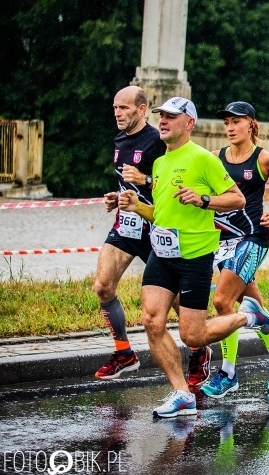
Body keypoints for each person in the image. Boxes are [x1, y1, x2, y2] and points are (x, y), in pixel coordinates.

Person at [118, 97, 269, 418]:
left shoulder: (204, 159)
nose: (162, 121)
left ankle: (250, 316)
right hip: (162, 253)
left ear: (189, 123)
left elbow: (237, 199)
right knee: (151, 320)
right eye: (161, 116)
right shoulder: (160, 163)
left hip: (195, 256)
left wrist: (203, 200)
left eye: (171, 117)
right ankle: (181, 393)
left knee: (193, 335)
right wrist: (135, 204)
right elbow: (160, 213)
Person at [197, 101, 269, 399]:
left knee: (222, 301)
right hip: (223, 241)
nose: (230, 128)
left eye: (236, 122)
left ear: (251, 124)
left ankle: (228, 373)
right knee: (255, 309)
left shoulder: (264, 159)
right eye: (226, 122)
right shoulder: (215, 157)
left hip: (253, 238)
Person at [93, 86, 166, 379]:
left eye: (124, 108)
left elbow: (173, 185)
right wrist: (116, 197)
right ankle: (124, 352)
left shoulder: (158, 141)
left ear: (142, 109)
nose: (117, 114)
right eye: (115, 108)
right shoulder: (120, 140)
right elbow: (128, 184)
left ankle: (200, 352)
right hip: (126, 226)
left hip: (154, 227)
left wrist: (146, 180)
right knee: (102, 285)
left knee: (173, 302)